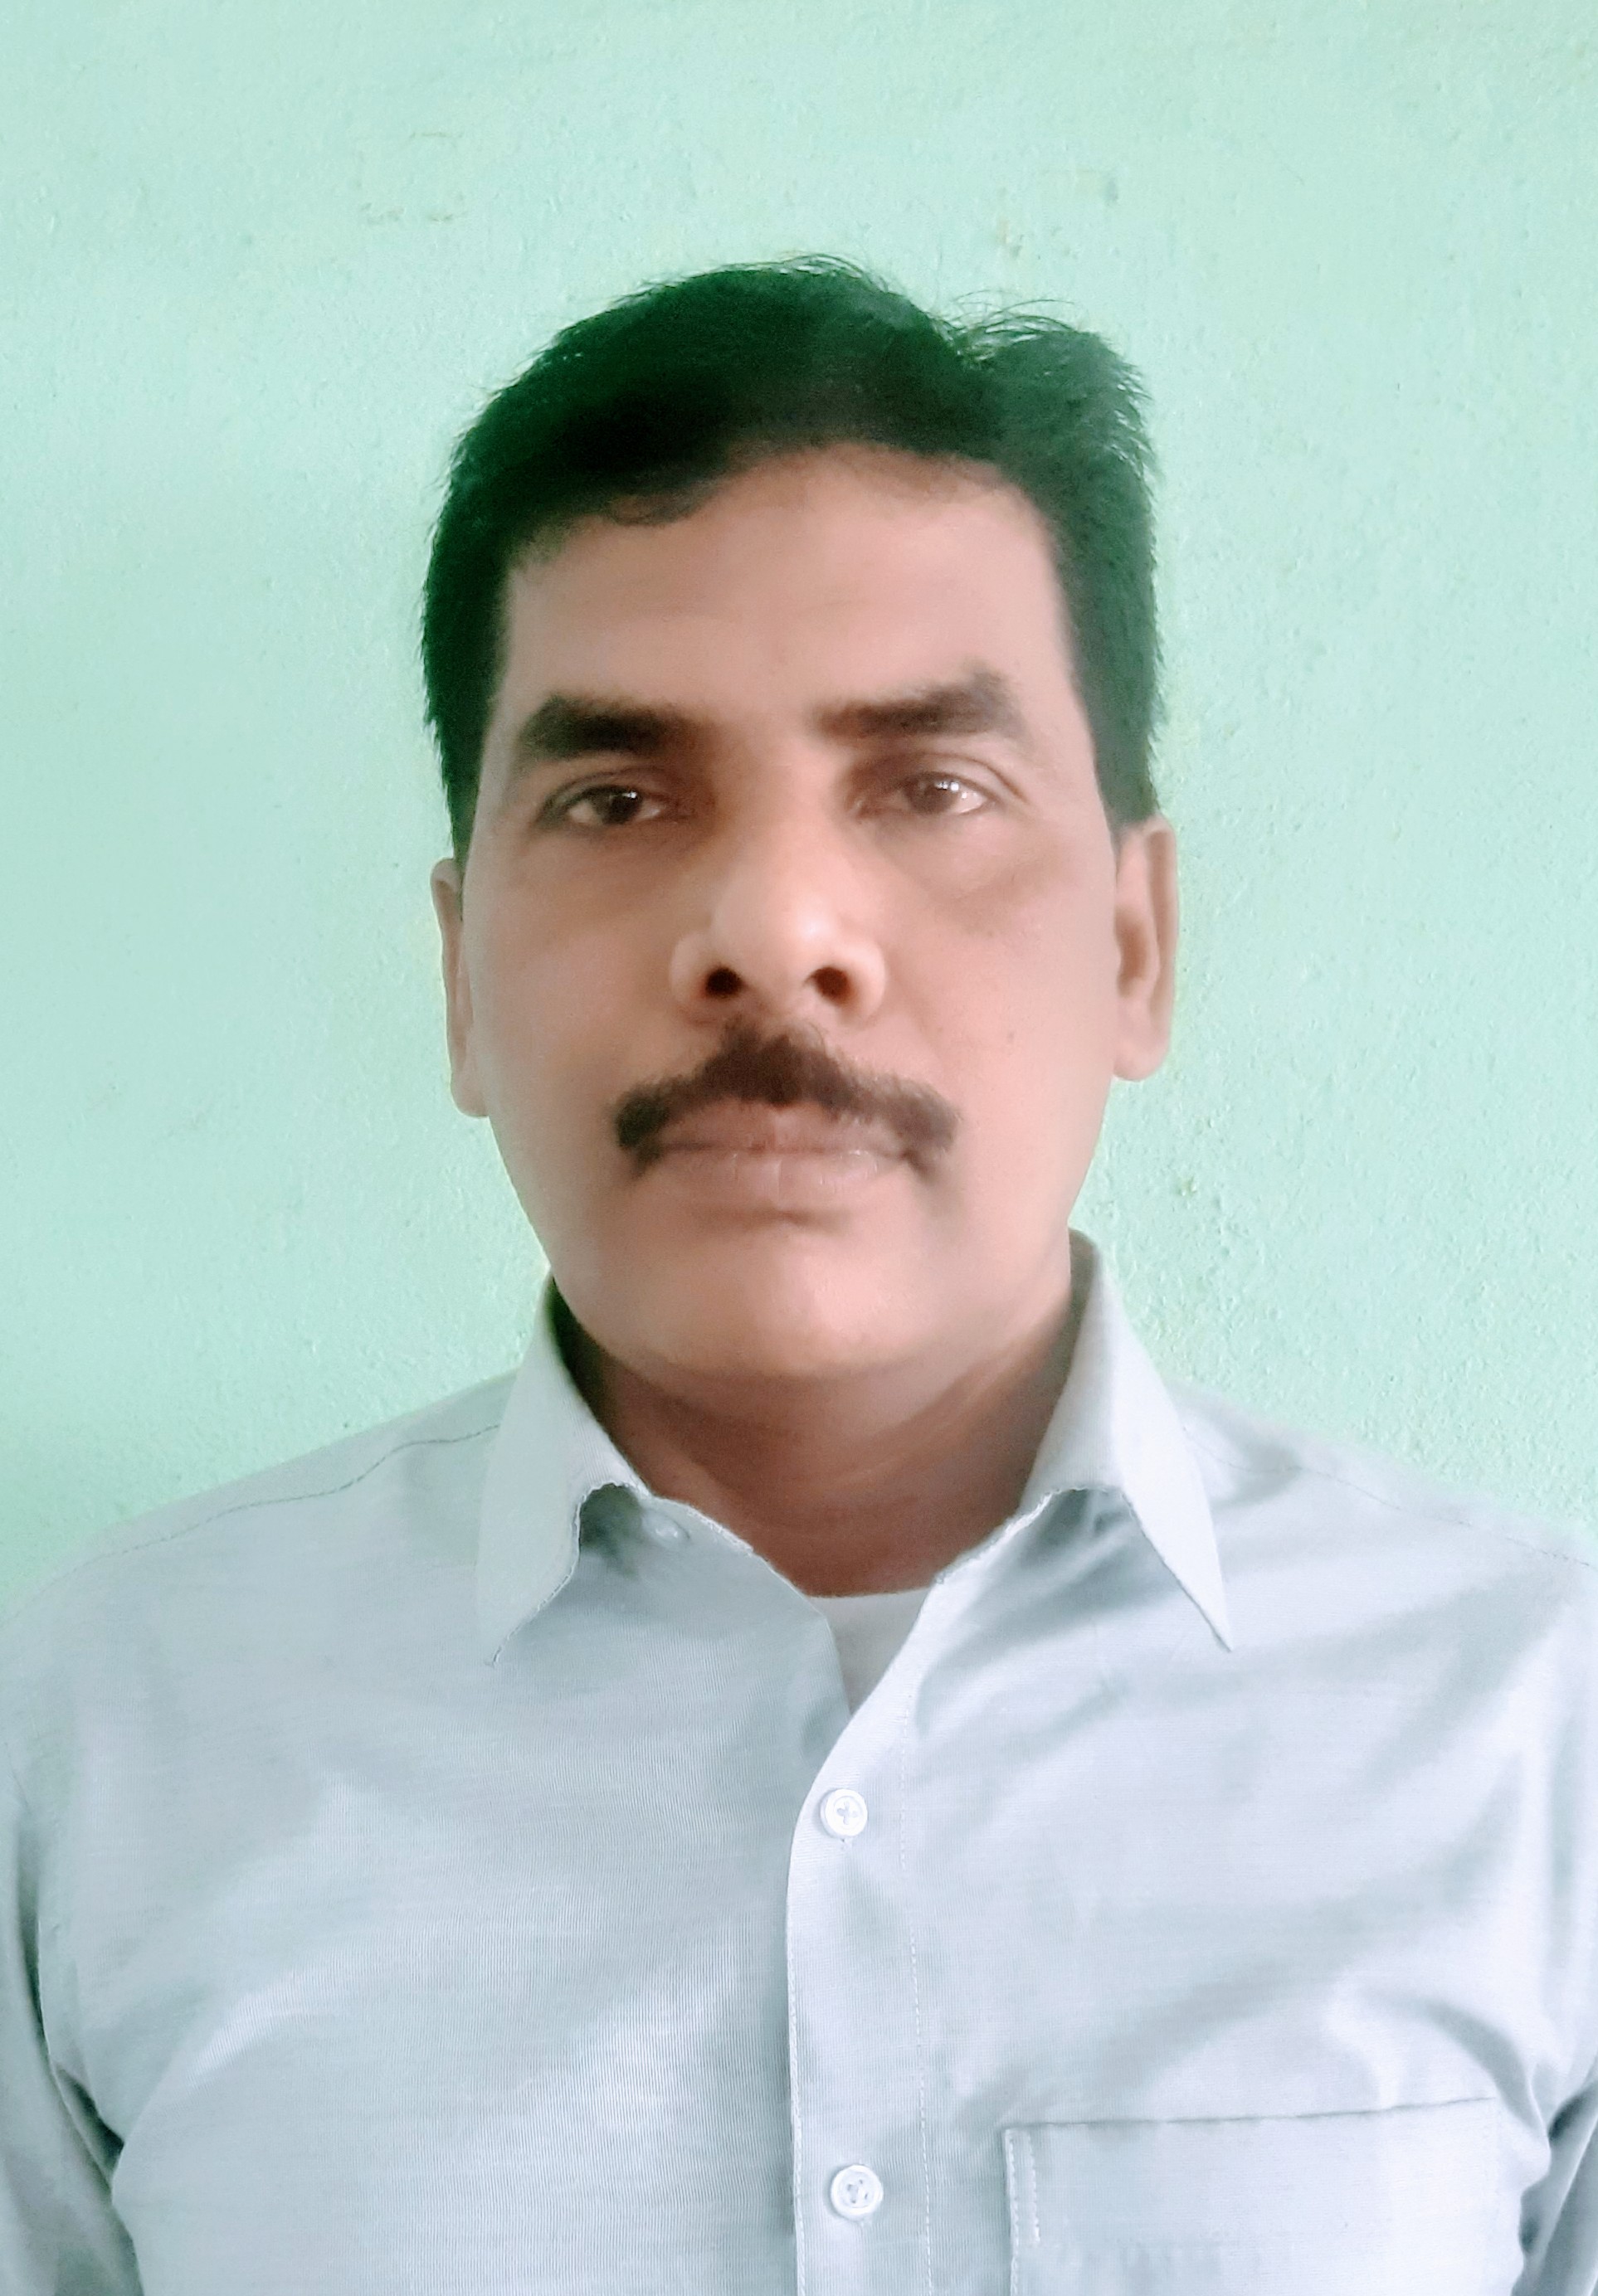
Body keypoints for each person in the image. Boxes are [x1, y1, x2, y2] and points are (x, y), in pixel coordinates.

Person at [2, 255, 1594, 2294]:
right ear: (460, 975)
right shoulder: (97, 1742)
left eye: (932, 788)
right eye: (615, 797)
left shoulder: (1538, 1740)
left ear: (1133, 944)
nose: (773, 927)